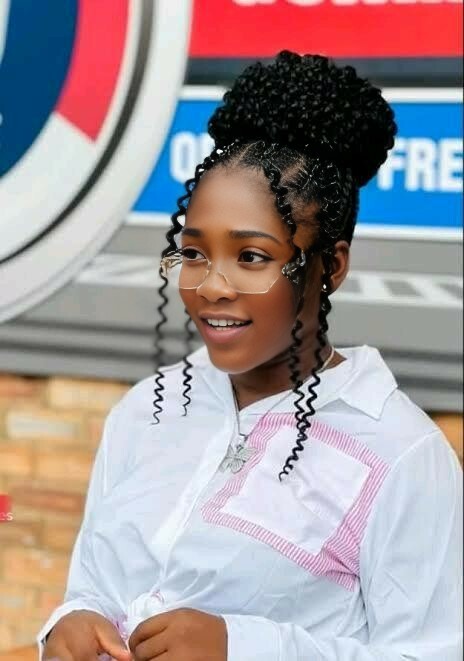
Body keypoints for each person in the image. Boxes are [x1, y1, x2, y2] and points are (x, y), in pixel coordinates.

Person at [38, 51, 463, 660]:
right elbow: (95, 587)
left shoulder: (399, 456)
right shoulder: (148, 409)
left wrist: (241, 647)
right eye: (194, 253)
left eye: (252, 257)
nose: (212, 285)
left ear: (330, 266)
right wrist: (73, 620)